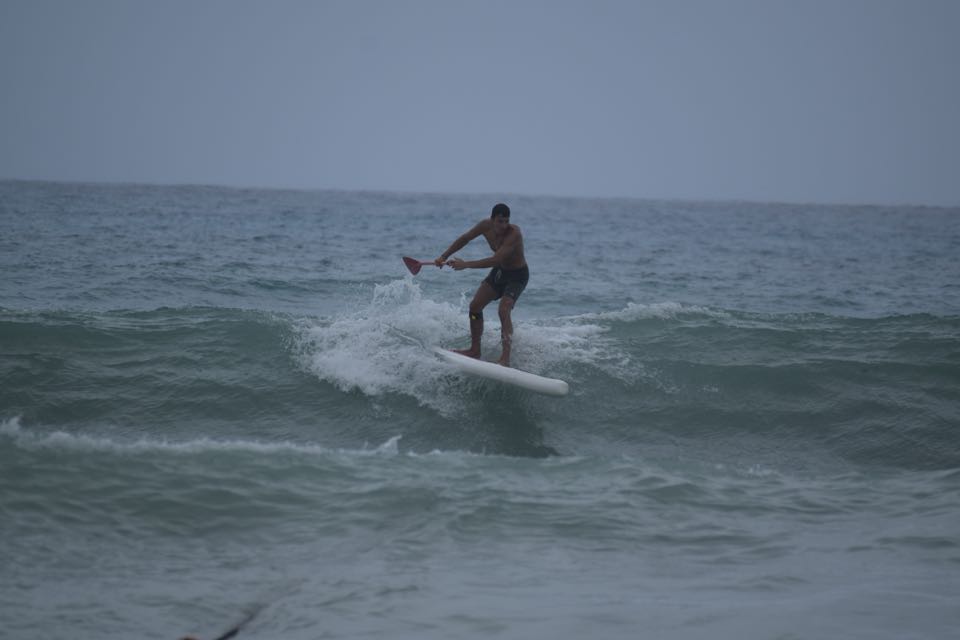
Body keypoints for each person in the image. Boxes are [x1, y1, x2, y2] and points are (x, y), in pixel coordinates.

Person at [435, 203, 528, 367]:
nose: (503, 225)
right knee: (475, 307)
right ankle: (474, 350)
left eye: (506, 221)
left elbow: (495, 260)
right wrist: (443, 256)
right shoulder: (485, 226)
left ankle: (505, 359)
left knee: (503, 309)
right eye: (500, 221)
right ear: (492, 220)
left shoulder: (514, 234)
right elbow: (465, 238)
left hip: (517, 276)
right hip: (500, 272)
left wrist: (466, 265)